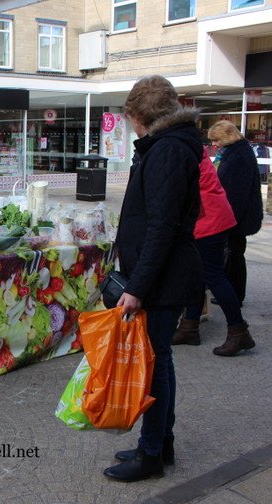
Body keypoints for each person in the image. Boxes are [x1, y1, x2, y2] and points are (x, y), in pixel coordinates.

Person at [104, 76, 202, 482]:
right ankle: (161, 442)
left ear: (138, 115)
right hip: (165, 274)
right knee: (161, 360)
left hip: (162, 279)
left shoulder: (166, 151)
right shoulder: (168, 146)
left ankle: (151, 454)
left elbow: (162, 226)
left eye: (130, 116)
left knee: (155, 365)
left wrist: (137, 288)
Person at [173, 149, 256, 356]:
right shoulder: (190, 146)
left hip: (208, 220)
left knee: (213, 276)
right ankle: (189, 328)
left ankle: (239, 332)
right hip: (211, 216)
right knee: (198, 275)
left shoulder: (182, 149)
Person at [208, 120, 264, 307]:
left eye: (216, 140)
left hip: (237, 216)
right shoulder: (236, 151)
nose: (214, 144)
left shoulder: (238, 156)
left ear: (227, 137)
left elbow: (238, 193)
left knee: (234, 255)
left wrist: (229, 220)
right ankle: (232, 293)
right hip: (237, 215)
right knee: (233, 254)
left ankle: (235, 295)